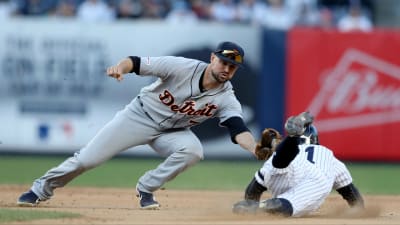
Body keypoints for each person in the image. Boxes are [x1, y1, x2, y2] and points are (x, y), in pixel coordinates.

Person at [17, 41, 259, 210]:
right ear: (213, 58)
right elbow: (135, 62)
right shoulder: (181, 67)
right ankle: (40, 190)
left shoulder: (227, 98)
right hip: (139, 116)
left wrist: (255, 149)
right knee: (87, 160)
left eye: (232, 66)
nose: (227, 69)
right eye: (224, 62)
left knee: (194, 152)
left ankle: (146, 188)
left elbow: (238, 129)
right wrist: (119, 69)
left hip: (173, 132)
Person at [232, 112, 365, 217]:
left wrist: (249, 202)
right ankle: (261, 206)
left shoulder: (290, 154)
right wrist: (360, 210)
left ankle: (291, 139)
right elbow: (349, 191)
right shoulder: (327, 154)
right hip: (314, 179)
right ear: (314, 139)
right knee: (289, 204)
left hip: (283, 164)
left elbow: (254, 187)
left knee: (279, 164)